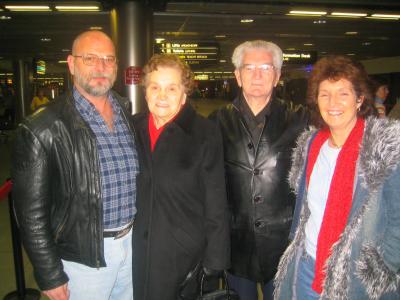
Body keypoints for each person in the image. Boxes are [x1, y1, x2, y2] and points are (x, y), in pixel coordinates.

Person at [12, 30, 138, 300]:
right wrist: (49, 273)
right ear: (71, 64)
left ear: (116, 65)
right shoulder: (41, 128)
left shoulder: (126, 113)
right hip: (82, 260)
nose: (101, 67)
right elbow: (30, 215)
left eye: (108, 59)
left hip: (132, 246)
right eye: (90, 58)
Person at [274, 55, 400, 299]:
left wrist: (379, 269)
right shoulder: (312, 144)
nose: (333, 102)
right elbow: (305, 210)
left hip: (356, 278)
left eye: (343, 93)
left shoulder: (384, 149)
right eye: (325, 94)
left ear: (359, 99)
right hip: (307, 266)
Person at [209, 40, 309, 299]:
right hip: (235, 244)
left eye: (265, 67)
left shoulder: (301, 119)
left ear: (276, 76)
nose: (257, 75)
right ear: (237, 75)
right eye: (249, 67)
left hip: (284, 246)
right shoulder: (215, 122)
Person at [132, 54, 230, 300]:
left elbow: (216, 200)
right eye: (155, 87)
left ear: (184, 95)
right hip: (135, 250)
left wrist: (215, 261)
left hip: (183, 254)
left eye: (171, 88)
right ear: (145, 92)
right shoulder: (132, 128)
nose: (162, 96)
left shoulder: (204, 133)